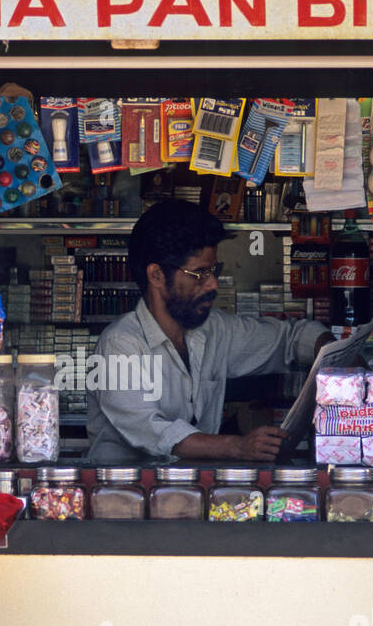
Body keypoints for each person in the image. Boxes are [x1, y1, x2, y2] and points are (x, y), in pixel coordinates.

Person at [87, 198, 328, 462]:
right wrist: (237, 447)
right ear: (156, 275)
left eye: (214, 270)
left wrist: (337, 352)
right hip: (124, 496)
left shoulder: (213, 329)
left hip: (194, 491)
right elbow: (155, 432)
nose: (213, 284)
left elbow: (291, 338)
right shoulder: (120, 344)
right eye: (200, 273)